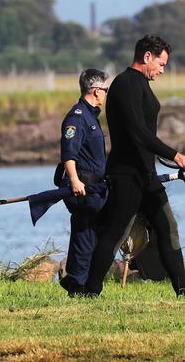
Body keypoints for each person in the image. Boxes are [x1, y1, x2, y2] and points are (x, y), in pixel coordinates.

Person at [84, 35, 185, 297]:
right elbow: (138, 133)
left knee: (168, 229)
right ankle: (90, 290)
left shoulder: (141, 84)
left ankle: (183, 288)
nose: (162, 70)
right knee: (115, 234)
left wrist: (164, 158)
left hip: (146, 174)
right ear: (147, 56)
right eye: (161, 64)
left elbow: (145, 137)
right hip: (126, 175)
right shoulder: (126, 84)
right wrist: (176, 155)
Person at [58, 69, 109, 297]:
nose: (106, 95)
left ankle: (79, 281)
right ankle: (76, 285)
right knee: (84, 234)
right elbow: (69, 153)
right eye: (105, 90)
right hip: (83, 187)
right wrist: (75, 180)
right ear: (96, 91)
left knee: (91, 233)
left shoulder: (91, 117)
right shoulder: (77, 118)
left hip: (96, 187)